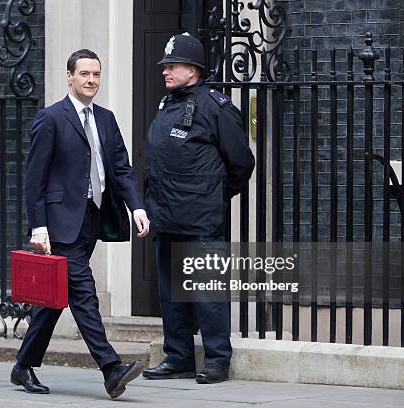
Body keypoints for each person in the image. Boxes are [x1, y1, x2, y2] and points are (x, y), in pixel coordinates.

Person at [10, 49, 150, 399]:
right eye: (84, 74)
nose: (91, 80)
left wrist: (136, 207)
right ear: (69, 77)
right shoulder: (51, 118)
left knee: (56, 299)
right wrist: (38, 227)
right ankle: (110, 367)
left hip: (92, 219)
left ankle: (22, 365)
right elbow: (34, 179)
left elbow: (121, 167)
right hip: (59, 224)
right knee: (84, 293)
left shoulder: (105, 118)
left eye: (96, 75)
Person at [142, 33, 255, 384]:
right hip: (166, 216)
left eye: (171, 65)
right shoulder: (167, 104)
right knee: (171, 295)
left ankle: (218, 360)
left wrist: (215, 197)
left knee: (208, 295)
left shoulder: (215, 107)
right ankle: (178, 357)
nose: (165, 71)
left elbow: (241, 162)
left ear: (192, 70)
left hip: (202, 220)